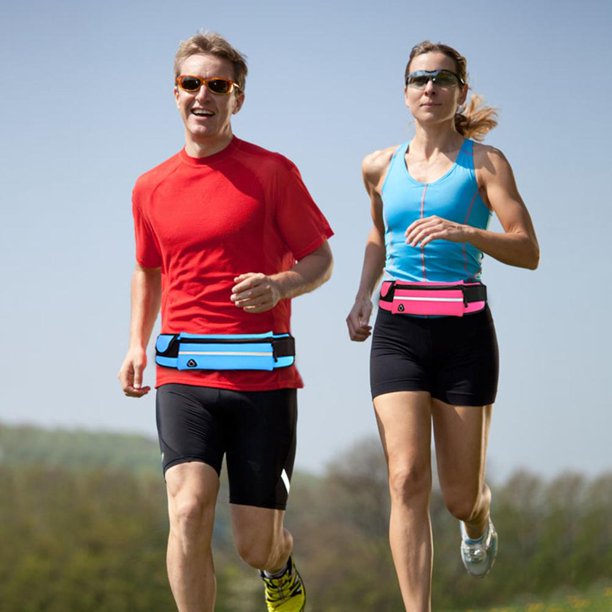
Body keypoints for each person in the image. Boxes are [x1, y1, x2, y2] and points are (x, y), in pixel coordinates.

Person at [118, 31, 333, 612]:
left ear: (237, 97)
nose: (203, 96)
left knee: (254, 545)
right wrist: (137, 344)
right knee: (187, 509)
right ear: (175, 92)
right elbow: (147, 268)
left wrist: (281, 284)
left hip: (262, 378)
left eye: (218, 85)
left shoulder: (271, 172)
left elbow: (321, 259)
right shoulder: (149, 187)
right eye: (192, 84)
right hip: (184, 371)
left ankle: (279, 567)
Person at [346, 41, 539, 611]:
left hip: (464, 333)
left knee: (457, 497)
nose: (429, 87)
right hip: (399, 332)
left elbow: (528, 249)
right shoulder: (377, 166)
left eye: (441, 78)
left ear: (459, 90)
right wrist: (362, 297)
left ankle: (479, 518)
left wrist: (466, 233)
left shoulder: (486, 163)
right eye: (418, 78)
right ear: (405, 92)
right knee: (405, 479)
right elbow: (379, 235)